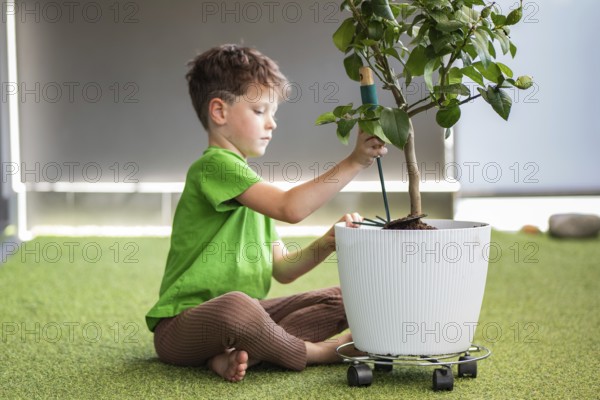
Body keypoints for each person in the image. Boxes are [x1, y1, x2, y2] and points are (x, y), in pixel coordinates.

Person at [146, 44, 387, 382]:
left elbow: (283, 270)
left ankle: (238, 355)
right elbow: (290, 208)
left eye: (273, 113)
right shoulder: (214, 167)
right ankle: (317, 352)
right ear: (219, 112)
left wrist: (327, 242)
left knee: (348, 297)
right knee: (237, 306)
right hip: (181, 329)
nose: (272, 124)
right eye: (260, 111)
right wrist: (354, 162)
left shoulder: (251, 189)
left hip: (247, 321)